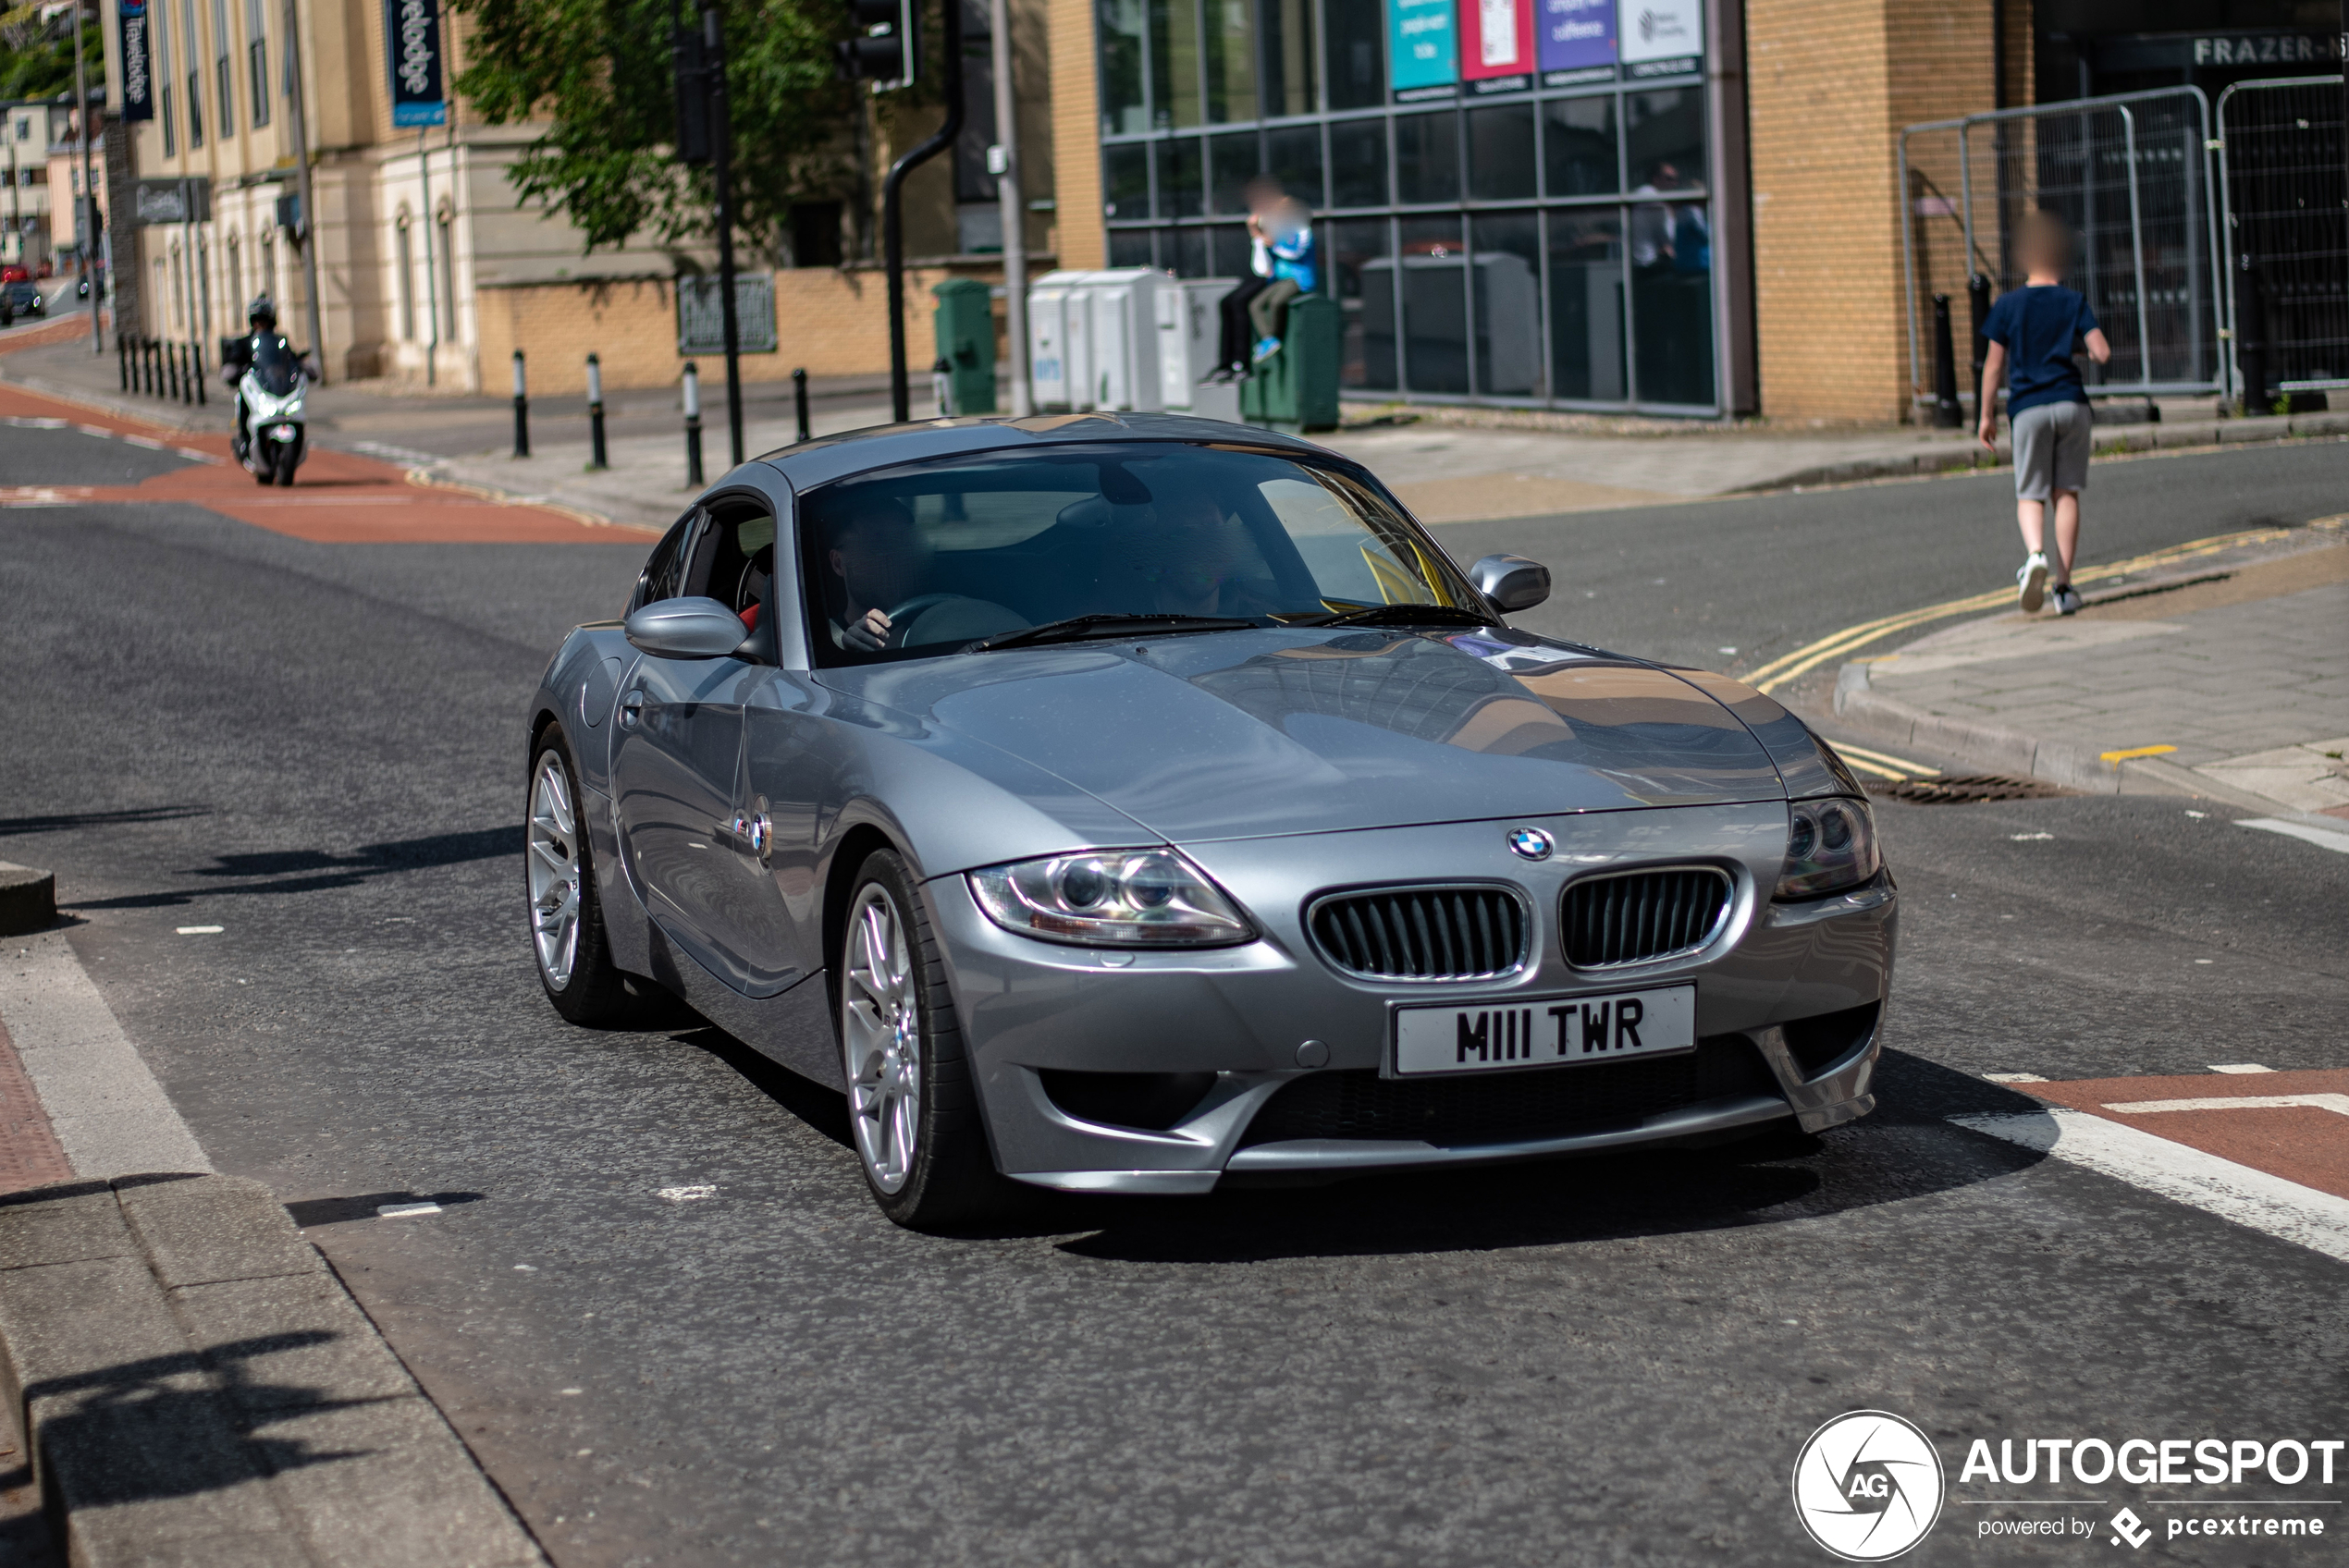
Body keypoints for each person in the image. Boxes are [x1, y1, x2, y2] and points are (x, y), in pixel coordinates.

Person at [1979, 210, 2110, 616]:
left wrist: (1985, 416)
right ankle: (2065, 587)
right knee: (2065, 493)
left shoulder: (2008, 305)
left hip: (2029, 408)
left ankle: (2035, 555)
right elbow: (2101, 352)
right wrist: (2074, 346)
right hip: (2071, 404)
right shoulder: (2073, 301)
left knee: (2030, 494)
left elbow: (1993, 366)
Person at [825, 499, 931, 651]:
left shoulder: (940, 625)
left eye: (904, 545)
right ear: (838, 563)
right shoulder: (822, 647)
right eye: (875, 548)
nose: (894, 559)